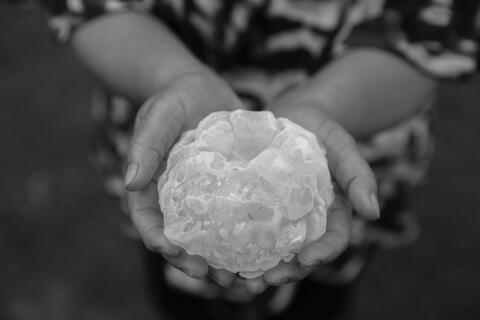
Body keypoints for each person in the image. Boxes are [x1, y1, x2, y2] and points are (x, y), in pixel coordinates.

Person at [14, 0, 480, 319]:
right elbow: (88, 8)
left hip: (353, 135)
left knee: (317, 298)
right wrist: (174, 76)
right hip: (166, 144)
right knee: (182, 293)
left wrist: (324, 107)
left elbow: (427, 36)